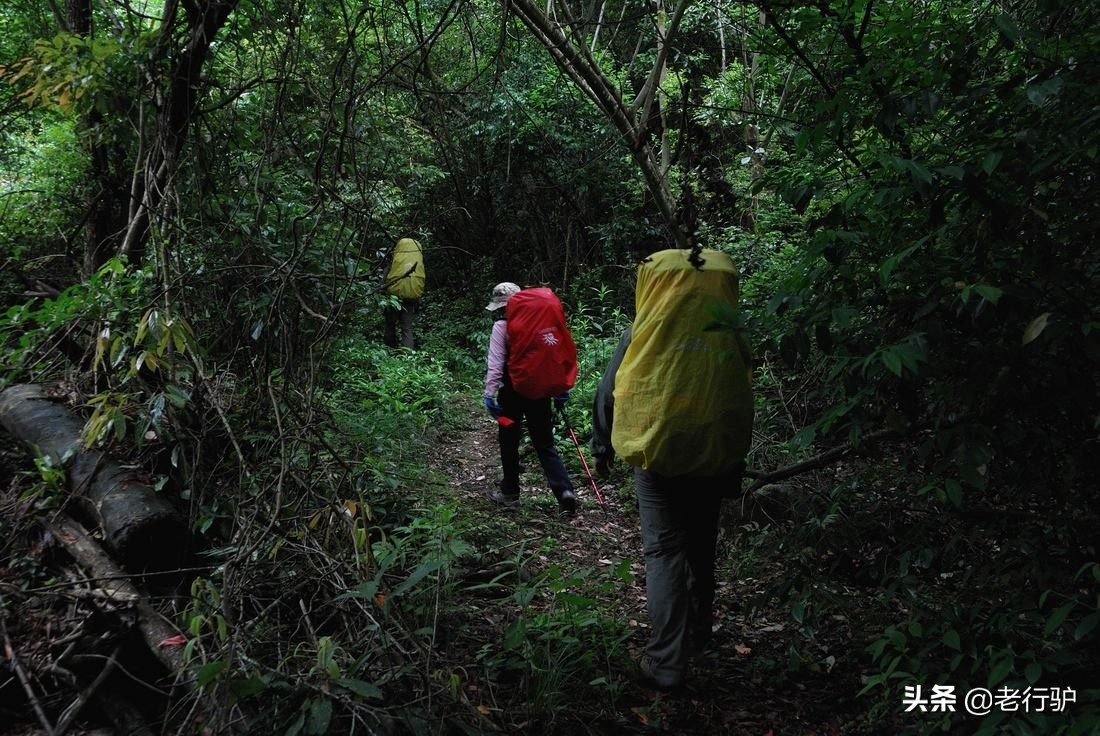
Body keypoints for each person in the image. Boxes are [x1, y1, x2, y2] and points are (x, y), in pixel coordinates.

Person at [591, 248, 753, 691]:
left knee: (664, 552)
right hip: (714, 454)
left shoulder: (643, 330)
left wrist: (602, 444)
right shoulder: (730, 329)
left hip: (658, 453)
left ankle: (666, 661)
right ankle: (699, 633)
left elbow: (610, 390)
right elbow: (741, 393)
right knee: (702, 547)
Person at [483, 282, 577, 514]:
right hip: (539, 391)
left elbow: (495, 367)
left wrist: (489, 395)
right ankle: (564, 490)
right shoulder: (540, 324)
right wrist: (559, 388)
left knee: (509, 439)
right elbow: (557, 353)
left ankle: (510, 492)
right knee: (545, 443)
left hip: (511, 394)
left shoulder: (501, 327)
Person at [383, 237, 425, 348]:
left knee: (390, 323)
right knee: (406, 327)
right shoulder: (417, 259)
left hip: (394, 295)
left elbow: (385, 276)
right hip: (411, 297)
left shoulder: (396, 259)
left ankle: (390, 349)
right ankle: (407, 356)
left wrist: (382, 289)